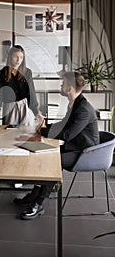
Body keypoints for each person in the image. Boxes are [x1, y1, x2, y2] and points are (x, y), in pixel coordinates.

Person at [14, 71, 99, 220]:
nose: (61, 85)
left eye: (64, 83)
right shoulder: (75, 103)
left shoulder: (83, 109)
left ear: (71, 87)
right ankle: (35, 194)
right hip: (75, 146)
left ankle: (38, 204)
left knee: (52, 162)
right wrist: (45, 127)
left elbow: (67, 135)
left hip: (86, 152)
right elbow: (63, 125)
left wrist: (44, 130)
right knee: (43, 156)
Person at [0, 45, 43, 126]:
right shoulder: (1, 74)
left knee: (25, 134)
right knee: (10, 134)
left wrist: (36, 113)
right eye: (16, 57)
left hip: (24, 107)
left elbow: (31, 94)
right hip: (9, 108)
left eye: (21, 57)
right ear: (10, 57)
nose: (18, 60)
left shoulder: (27, 73)